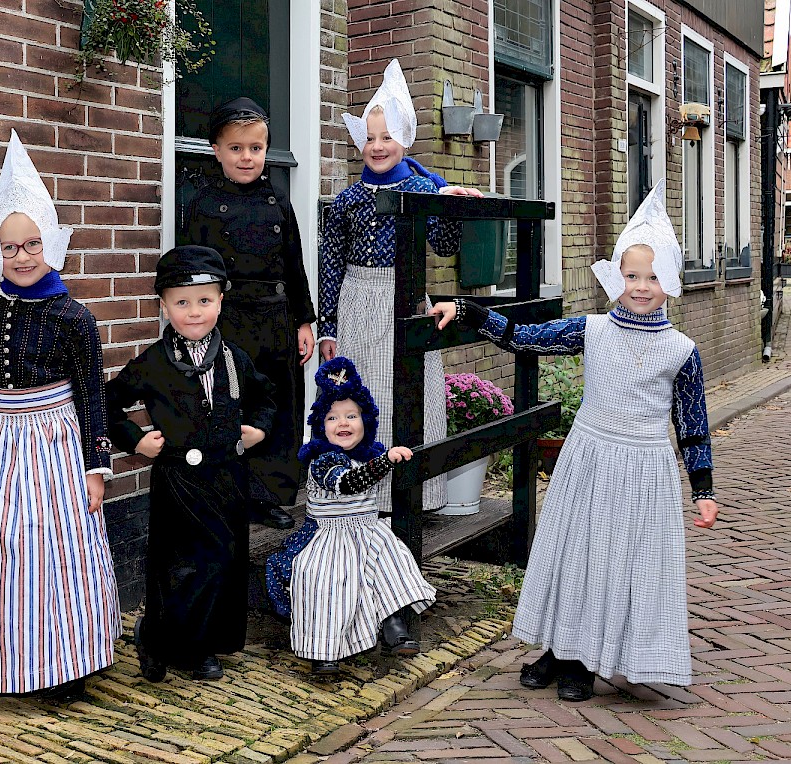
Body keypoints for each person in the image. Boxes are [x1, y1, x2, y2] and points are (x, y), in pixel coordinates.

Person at [430, 181, 719, 701]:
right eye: (632, 275)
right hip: (588, 458)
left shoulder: (681, 350)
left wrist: (703, 489)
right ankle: (559, 648)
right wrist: (469, 310)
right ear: (616, 277)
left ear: (671, 281)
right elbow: (525, 338)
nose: (641, 287)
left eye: (654, 277)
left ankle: (587, 659)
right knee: (574, 553)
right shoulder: (593, 330)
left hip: (643, 469)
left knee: (617, 561)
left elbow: (692, 422)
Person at [0, 131, 120, 697]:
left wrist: (96, 468)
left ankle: (65, 666)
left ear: (49, 243)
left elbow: (92, 396)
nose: (22, 257)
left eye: (31, 244)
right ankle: (7, 662)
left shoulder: (73, 317)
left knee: (54, 551)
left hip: (53, 442)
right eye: (9, 248)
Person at [319, 58, 483, 515]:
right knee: (359, 393)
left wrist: (447, 204)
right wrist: (328, 325)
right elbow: (331, 265)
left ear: (405, 139)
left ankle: (408, 495)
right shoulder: (347, 201)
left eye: (387, 137)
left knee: (408, 392)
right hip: (357, 302)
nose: (377, 146)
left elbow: (444, 246)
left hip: (405, 300)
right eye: (370, 138)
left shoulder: (422, 189)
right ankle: (358, 494)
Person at [105, 245, 276, 682]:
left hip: (227, 475)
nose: (194, 312)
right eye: (181, 302)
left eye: (204, 300)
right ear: (164, 306)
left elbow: (265, 397)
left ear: (220, 301)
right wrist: (137, 440)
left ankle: (204, 643)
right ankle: (158, 638)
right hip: (178, 477)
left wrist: (258, 428)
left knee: (222, 558)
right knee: (179, 562)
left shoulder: (234, 358)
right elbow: (109, 404)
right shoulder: (154, 362)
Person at [177, 96, 316, 531]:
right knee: (228, 404)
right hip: (228, 319)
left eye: (255, 148)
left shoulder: (278, 200)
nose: (246, 157)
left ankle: (269, 495)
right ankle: (226, 494)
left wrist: (304, 321)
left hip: (276, 318)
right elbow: (191, 269)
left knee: (276, 405)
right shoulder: (201, 203)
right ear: (216, 150)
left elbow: (294, 264)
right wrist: (194, 319)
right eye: (236, 148)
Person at [264, 357, 437, 675]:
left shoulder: (367, 455)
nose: (342, 423)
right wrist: (385, 461)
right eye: (332, 418)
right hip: (327, 538)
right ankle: (323, 649)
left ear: (365, 421)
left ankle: (393, 622)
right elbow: (347, 483)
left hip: (367, 531)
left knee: (390, 558)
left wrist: (383, 459)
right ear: (321, 426)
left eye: (351, 416)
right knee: (326, 582)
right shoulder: (323, 460)